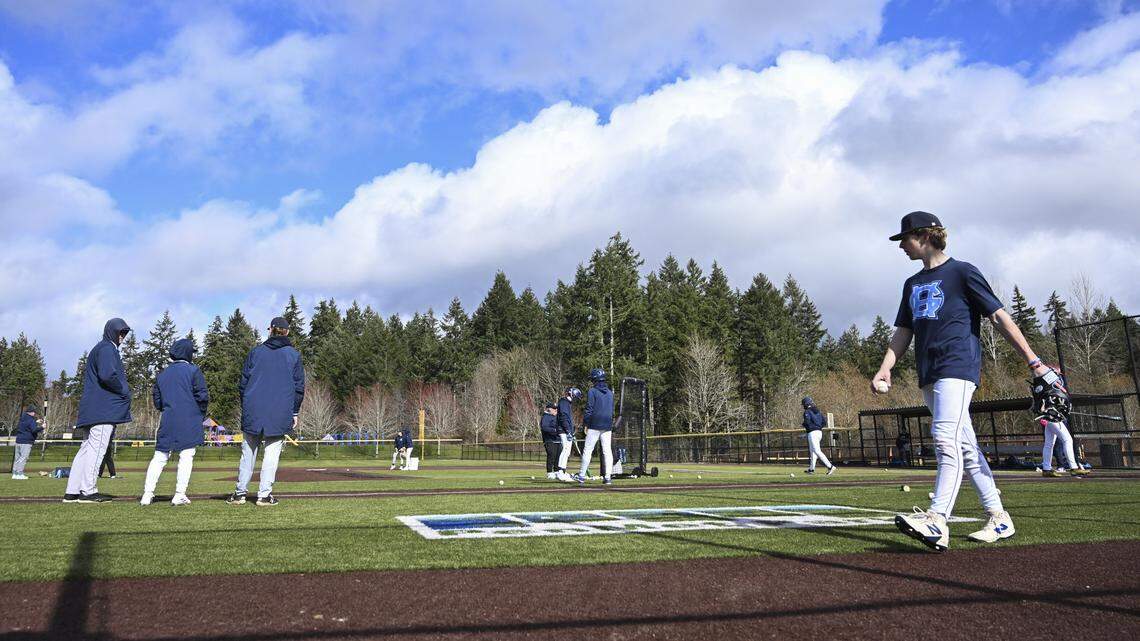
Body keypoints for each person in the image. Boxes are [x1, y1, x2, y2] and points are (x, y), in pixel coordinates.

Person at [873, 211, 1055, 551]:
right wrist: (886, 367)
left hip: (957, 366)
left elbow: (999, 316)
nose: (901, 247)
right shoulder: (911, 284)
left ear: (925, 237)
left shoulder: (963, 272)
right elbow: (904, 331)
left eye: (905, 240)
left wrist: (1034, 361)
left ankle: (936, 519)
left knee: (944, 438)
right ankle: (999, 517)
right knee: (966, 447)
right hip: (928, 371)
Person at [227, 317, 305, 507]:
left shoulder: (255, 353)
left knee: (248, 452)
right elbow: (299, 388)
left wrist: (246, 405)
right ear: (286, 332)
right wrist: (294, 412)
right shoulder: (293, 355)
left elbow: (243, 384)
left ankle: (239, 494)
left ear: (270, 330)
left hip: (254, 408)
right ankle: (263, 495)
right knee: (271, 453)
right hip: (280, 410)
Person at [64, 318, 133, 503]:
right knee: (97, 449)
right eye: (121, 332)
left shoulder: (99, 348)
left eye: (125, 333)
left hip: (92, 408)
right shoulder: (107, 349)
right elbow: (107, 375)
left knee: (86, 449)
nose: (123, 337)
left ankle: (72, 492)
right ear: (112, 331)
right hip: (104, 409)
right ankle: (88, 491)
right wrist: (124, 390)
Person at [141, 338, 209, 506]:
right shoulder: (193, 371)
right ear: (187, 354)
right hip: (189, 418)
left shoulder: (162, 374)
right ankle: (179, 494)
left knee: (159, 457)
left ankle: (147, 495)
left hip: (168, 419)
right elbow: (202, 396)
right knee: (186, 456)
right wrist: (199, 414)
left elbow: (157, 401)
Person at [1039, 366, 1089, 477]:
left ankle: (1046, 469)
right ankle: (1073, 467)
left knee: (1049, 444)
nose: (1058, 375)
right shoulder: (1047, 386)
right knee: (1067, 439)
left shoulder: (1053, 386)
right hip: (1052, 417)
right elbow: (1043, 404)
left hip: (1053, 416)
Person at [574, 369, 614, 485]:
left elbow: (589, 409)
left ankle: (581, 476)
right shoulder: (610, 393)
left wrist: (586, 423)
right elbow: (611, 411)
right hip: (607, 425)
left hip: (594, 424)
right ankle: (607, 477)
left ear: (594, 379)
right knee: (607, 451)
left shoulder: (592, 391)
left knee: (588, 450)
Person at [801, 397, 835, 475]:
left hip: (812, 433)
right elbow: (824, 422)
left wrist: (806, 426)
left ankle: (830, 466)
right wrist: (818, 427)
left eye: (804, 404)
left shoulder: (807, 412)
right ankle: (811, 469)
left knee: (816, 451)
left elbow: (807, 422)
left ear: (806, 404)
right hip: (819, 432)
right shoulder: (818, 411)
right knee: (813, 451)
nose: (803, 406)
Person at [555, 387, 581, 481]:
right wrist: (568, 431)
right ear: (571, 394)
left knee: (567, 451)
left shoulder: (567, 403)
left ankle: (563, 471)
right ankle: (560, 472)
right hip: (564, 430)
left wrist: (571, 431)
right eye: (575, 397)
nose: (575, 399)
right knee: (565, 450)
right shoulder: (564, 402)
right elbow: (563, 417)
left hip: (567, 431)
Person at [12, 405, 43, 480]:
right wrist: (42, 427)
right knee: (23, 458)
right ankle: (19, 474)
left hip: (19, 440)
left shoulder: (23, 418)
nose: (35, 413)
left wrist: (36, 422)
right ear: (32, 412)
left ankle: (15, 474)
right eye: (34, 412)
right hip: (26, 441)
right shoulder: (31, 420)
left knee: (18, 458)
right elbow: (34, 430)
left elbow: (27, 425)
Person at [540, 402, 561, 479]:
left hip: (558, 440)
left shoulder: (557, 417)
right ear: (549, 409)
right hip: (549, 440)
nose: (556, 410)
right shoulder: (546, 417)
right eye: (554, 408)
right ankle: (549, 472)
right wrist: (555, 430)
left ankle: (557, 471)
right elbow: (544, 428)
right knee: (551, 455)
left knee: (558, 457)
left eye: (556, 409)